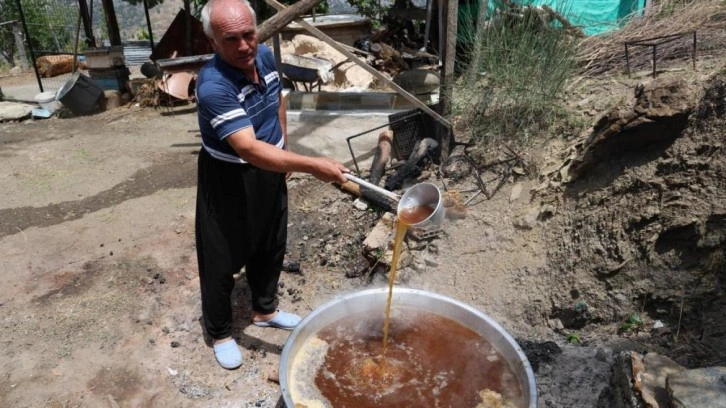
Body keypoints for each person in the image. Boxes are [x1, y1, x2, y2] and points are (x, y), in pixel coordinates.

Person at [196, 0, 348, 370]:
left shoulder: (262, 57)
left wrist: (284, 147)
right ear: (213, 42)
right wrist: (312, 165)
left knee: (270, 238)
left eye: (249, 34)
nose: (244, 45)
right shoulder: (213, 86)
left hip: (270, 162)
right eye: (231, 39)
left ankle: (264, 310)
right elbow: (247, 148)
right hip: (229, 174)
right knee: (221, 255)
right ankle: (220, 332)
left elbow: (278, 100)